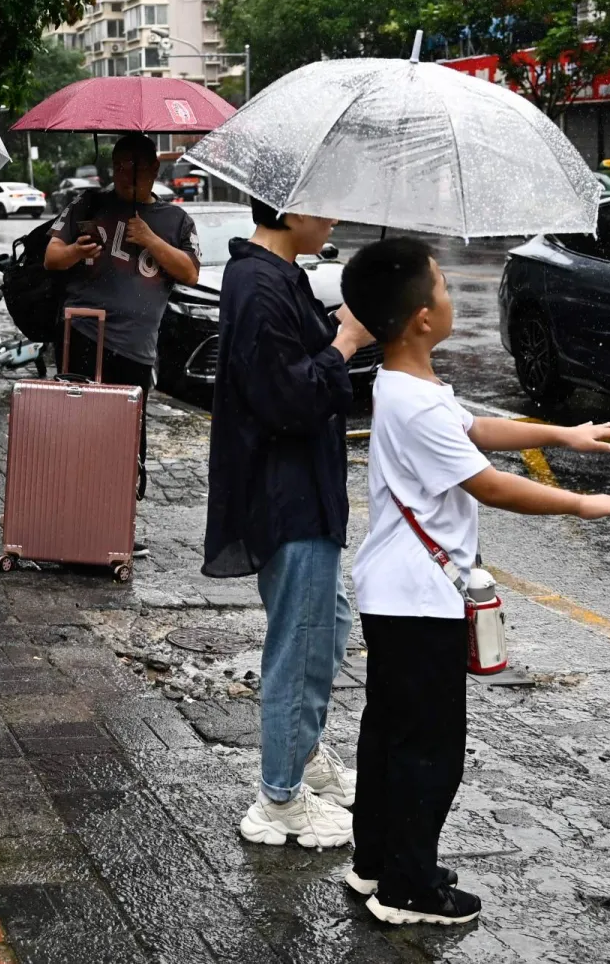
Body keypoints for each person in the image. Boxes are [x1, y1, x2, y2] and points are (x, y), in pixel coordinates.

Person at [340, 238, 610, 925]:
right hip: (419, 600)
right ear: (421, 317)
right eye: (442, 288)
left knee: (390, 734)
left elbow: (475, 428)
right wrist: (582, 503)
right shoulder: (414, 403)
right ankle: (409, 890)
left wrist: (562, 436)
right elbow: (490, 486)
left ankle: (379, 860)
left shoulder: (407, 386)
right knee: (429, 751)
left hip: (400, 592)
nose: (451, 297)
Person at [202, 198, 372, 849]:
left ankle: (301, 755)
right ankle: (278, 798)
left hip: (306, 489)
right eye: (325, 204)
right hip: (284, 494)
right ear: (291, 206)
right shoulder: (257, 282)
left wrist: (335, 331)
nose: (334, 217)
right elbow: (285, 398)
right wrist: (346, 343)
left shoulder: (280, 276)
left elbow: (288, 363)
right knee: (299, 645)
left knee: (327, 625)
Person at [44, 133, 200, 557]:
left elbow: (189, 273)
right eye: (120, 166)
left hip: (135, 347)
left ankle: (116, 525)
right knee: (77, 432)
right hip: (83, 335)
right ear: (112, 168)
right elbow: (51, 258)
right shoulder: (88, 205)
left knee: (125, 439)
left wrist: (149, 239)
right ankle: (70, 524)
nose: (128, 175)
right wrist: (77, 249)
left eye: (137, 167)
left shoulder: (175, 221)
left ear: (154, 170)